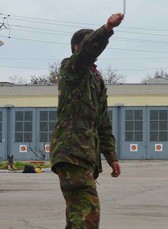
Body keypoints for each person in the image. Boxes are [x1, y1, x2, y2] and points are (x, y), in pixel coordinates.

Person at [50, 13, 124, 229]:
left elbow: (102, 122)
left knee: (79, 216)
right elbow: (87, 52)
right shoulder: (71, 70)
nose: (95, 50)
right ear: (76, 48)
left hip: (84, 156)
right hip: (71, 153)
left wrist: (112, 156)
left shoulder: (96, 80)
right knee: (87, 215)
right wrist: (107, 28)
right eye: (88, 44)